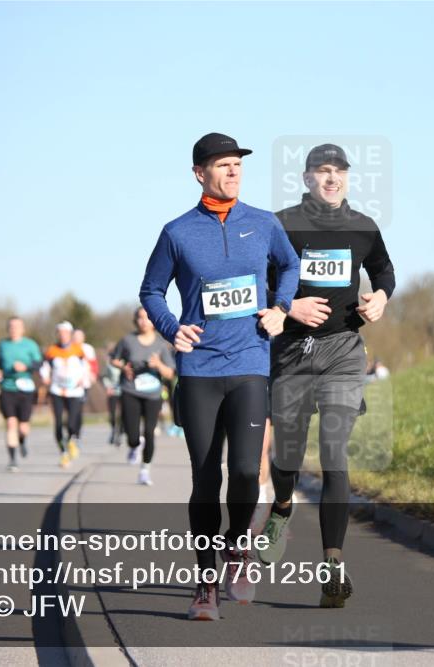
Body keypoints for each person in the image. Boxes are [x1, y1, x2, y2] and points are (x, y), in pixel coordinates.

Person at [139, 132, 299, 619]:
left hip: (250, 363)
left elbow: (290, 265)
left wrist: (280, 308)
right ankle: (205, 583)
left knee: (248, 472)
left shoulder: (263, 224)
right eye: (223, 165)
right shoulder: (177, 231)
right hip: (200, 370)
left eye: (237, 165)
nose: (233, 171)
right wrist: (171, 328)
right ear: (199, 173)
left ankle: (237, 550)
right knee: (206, 479)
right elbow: (150, 291)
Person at [258, 143, 396, 609]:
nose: (332, 178)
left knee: (335, 455)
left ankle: (332, 565)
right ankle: (281, 507)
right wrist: (288, 305)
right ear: (306, 177)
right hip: (293, 350)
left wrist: (380, 299)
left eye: (339, 171)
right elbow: (258, 277)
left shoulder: (363, 227)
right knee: (289, 455)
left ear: (348, 178)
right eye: (322, 170)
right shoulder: (281, 224)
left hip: (343, 351)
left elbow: (384, 271)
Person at [110, 307, 175, 484]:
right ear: (135, 320)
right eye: (139, 318)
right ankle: (133, 446)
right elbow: (113, 359)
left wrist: (158, 365)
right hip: (130, 390)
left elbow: (170, 373)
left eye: (147, 318)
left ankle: (145, 469)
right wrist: (123, 367)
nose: (143, 321)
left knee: (149, 432)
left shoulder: (161, 344)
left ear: (153, 321)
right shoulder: (127, 340)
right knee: (132, 434)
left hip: (153, 394)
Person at [0, 316, 42, 472]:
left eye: (17, 326)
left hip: (26, 388)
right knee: (10, 423)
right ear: (7, 328)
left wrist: (26, 366)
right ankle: (12, 459)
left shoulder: (30, 345)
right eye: (11, 326)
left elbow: (39, 363)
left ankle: (22, 440)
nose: (13, 329)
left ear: (23, 329)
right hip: (8, 387)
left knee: (23, 427)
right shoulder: (3, 344)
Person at [41, 321, 86, 467]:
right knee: (58, 423)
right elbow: (45, 367)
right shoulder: (51, 350)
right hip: (57, 390)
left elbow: (85, 367)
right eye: (60, 333)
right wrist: (45, 377)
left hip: (74, 390)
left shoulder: (78, 350)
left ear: (70, 334)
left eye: (65, 333)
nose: (63, 336)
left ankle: (73, 440)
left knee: (72, 422)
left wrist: (82, 379)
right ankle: (63, 453)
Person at [72, 329, 98, 448]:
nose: (77, 338)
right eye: (75, 336)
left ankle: (77, 435)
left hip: (84, 384)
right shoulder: (69, 348)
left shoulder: (88, 349)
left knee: (78, 410)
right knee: (70, 410)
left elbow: (93, 364)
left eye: (79, 336)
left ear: (84, 337)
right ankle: (70, 432)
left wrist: (93, 375)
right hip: (69, 385)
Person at [101, 340, 123, 445]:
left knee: (124, 414)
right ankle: (113, 430)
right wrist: (107, 387)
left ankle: (120, 433)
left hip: (124, 390)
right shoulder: (108, 362)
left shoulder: (125, 359)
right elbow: (104, 376)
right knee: (113, 414)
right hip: (112, 391)